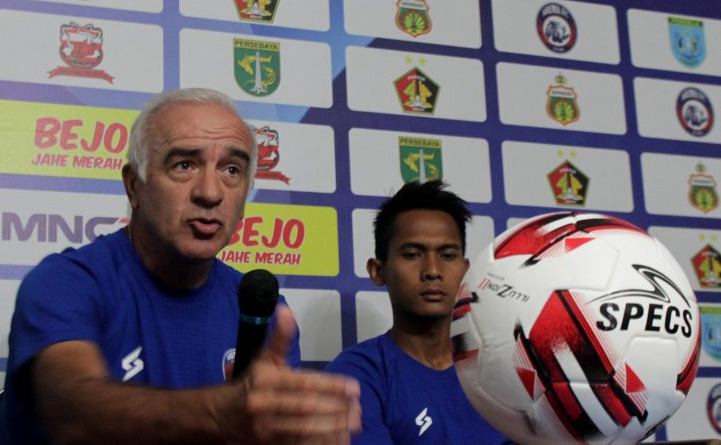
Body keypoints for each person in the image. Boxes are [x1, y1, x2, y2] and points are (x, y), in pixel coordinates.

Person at [4, 88, 361, 444]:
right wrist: (220, 414)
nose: (210, 192)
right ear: (134, 186)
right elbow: (69, 411)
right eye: (184, 165)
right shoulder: (67, 282)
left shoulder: (263, 311)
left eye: (231, 170)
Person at [326, 180, 507, 444]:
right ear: (378, 271)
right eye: (412, 254)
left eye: (447, 255)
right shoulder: (355, 374)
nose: (432, 270)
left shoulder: (504, 368)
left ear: (466, 270)